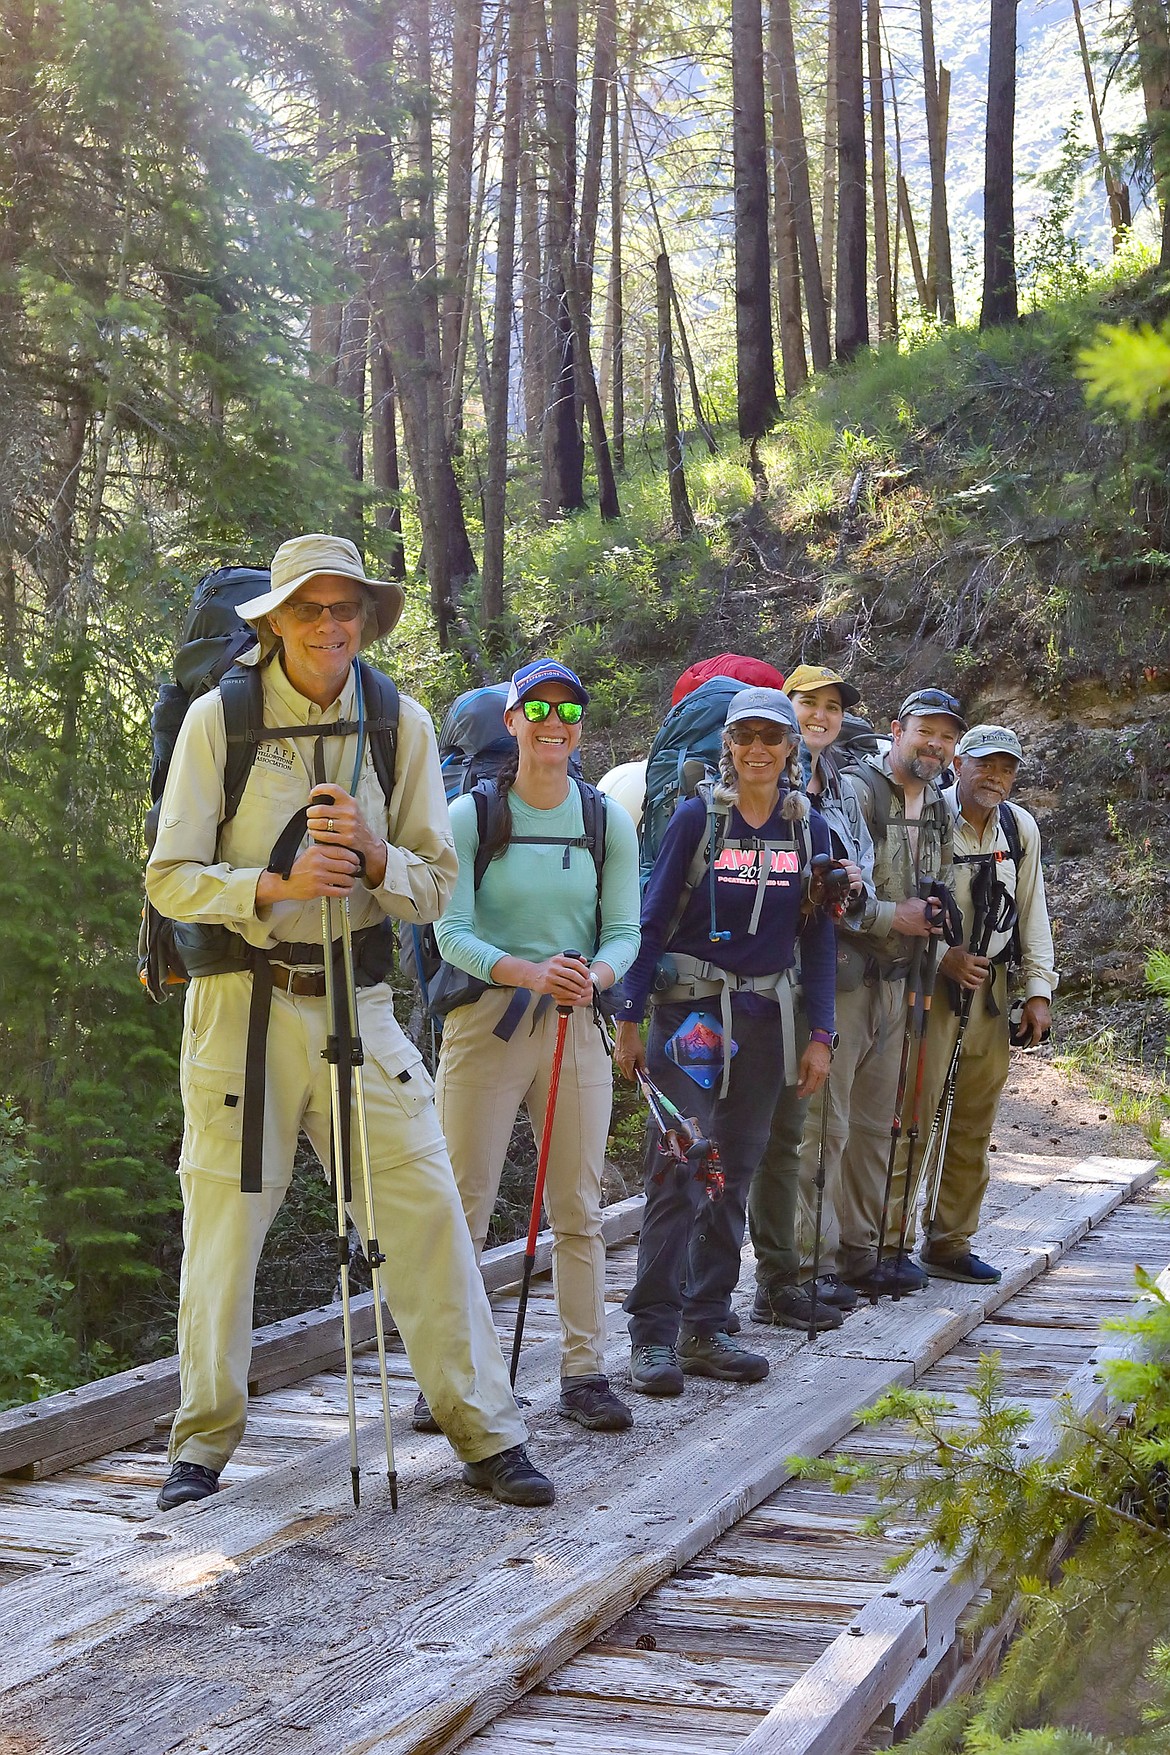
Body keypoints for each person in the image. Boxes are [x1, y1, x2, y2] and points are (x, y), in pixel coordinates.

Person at [146, 534, 554, 1511]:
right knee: (223, 1232)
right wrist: (273, 885)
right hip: (239, 1016)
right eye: (310, 609)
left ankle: (487, 1433)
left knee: (426, 1217)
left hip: (359, 1010)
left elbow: (437, 889)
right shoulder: (221, 720)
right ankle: (198, 1448)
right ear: (276, 619)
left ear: (367, 618)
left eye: (348, 609)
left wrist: (378, 860)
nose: (331, 627)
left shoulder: (397, 724)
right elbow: (169, 878)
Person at [432, 659, 642, 1433]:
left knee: (579, 1207)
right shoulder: (469, 817)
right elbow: (449, 931)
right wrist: (527, 970)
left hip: (573, 1027)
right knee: (464, 1208)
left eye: (570, 710)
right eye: (539, 707)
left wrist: (598, 974)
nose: (555, 721)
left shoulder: (603, 820)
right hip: (485, 1027)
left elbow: (625, 929)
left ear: (580, 729)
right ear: (513, 720)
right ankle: (452, 1376)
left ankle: (584, 1371)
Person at [614, 688, 836, 1395]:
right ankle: (652, 1333)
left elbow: (820, 935)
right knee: (682, 1165)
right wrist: (627, 1014)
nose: (760, 750)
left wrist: (822, 1032)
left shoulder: (809, 830)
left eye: (772, 737)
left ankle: (706, 1323)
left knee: (734, 1172)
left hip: (769, 1020)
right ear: (730, 748)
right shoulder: (696, 820)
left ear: (789, 748)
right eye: (747, 738)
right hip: (697, 1018)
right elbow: (651, 921)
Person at [746, 664, 876, 1329]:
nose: (821, 715)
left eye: (832, 706)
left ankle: (807, 1268)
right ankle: (785, 1271)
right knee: (769, 1136)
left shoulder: (843, 792)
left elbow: (863, 893)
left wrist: (850, 886)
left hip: (822, 973)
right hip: (764, 979)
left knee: (813, 1131)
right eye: (808, 704)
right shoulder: (767, 787)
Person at [828, 687, 962, 1297]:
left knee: (877, 1123)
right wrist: (893, 917)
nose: (936, 745)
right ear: (897, 730)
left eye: (947, 736)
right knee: (828, 1122)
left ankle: (867, 1249)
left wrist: (930, 920)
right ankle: (818, 1259)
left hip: (901, 979)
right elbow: (831, 891)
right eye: (925, 731)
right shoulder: (857, 790)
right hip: (847, 976)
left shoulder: (937, 803)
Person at [913, 724, 1056, 1282]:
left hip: (990, 989)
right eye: (984, 764)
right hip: (928, 983)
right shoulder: (926, 815)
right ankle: (888, 1246)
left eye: (1006, 768)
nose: (995, 776)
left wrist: (1038, 991)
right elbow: (898, 893)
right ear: (959, 764)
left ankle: (949, 1243)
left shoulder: (1019, 828)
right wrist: (944, 954)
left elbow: (1032, 908)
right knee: (914, 1115)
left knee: (973, 1122)